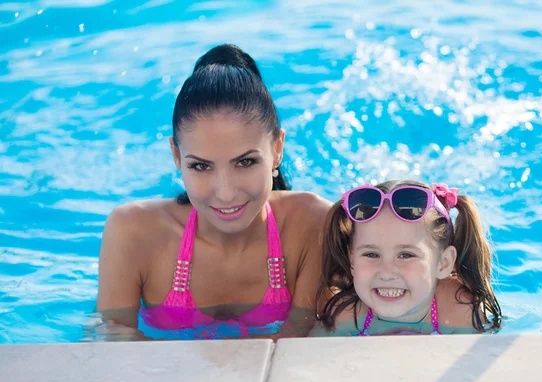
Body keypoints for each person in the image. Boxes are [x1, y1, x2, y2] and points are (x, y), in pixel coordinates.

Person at [95, 44, 331, 340]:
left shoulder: (314, 224)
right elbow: (106, 340)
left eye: (245, 162)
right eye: (201, 166)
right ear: (177, 157)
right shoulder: (133, 231)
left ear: (277, 148)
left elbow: (308, 341)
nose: (226, 193)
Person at [310, 180, 501, 336]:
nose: (386, 273)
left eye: (405, 255)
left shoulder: (463, 311)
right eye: (371, 254)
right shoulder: (346, 316)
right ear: (351, 259)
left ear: (443, 263)